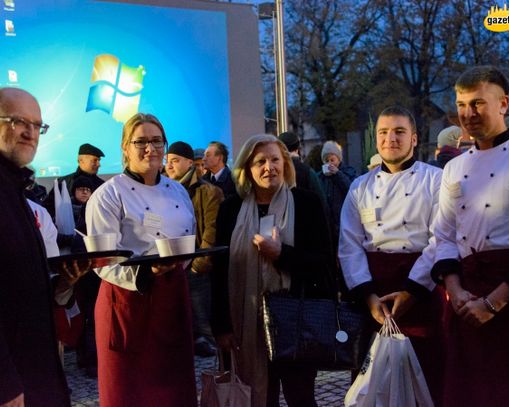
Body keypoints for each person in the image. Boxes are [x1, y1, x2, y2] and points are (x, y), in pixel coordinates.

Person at [431, 66, 509, 406]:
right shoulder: (454, 167)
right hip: (466, 299)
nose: (468, 114)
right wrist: (457, 292)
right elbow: (443, 235)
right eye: (462, 104)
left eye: (478, 103)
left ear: (503, 103)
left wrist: (493, 303)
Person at [211, 134, 335, 407]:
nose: (270, 167)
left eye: (275, 160)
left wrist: (282, 255)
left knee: (301, 397)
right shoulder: (230, 210)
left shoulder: (307, 203)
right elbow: (219, 271)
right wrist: (221, 325)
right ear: (247, 168)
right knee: (259, 398)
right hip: (245, 322)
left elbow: (324, 263)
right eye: (261, 161)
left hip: (297, 320)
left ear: (286, 164)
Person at [85, 113, 197, 406]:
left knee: (175, 391)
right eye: (141, 141)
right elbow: (102, 259)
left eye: (157, 141)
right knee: (128, 394)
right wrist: (147, 272)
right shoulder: (108, 194)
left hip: (172, 297)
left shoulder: (178, 191)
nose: (151, 148)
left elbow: (189, 238)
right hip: (127, 301)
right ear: (125, 146)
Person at [339, 106, 444, 402]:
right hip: (373, 294)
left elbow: (441, 239)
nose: (390, 139)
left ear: (414, 138)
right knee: (373, 385)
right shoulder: (360, 187)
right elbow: (349, 246)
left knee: (429, 378)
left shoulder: (436, 181)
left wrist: (411, 292)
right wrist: (369, 298)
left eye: (399, 131)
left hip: (420, 291)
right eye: (383, 132)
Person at [0, 87, 88, 407]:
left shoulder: (17, 192)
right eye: (17, 121)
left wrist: (63, 284)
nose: (30, 133)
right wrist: (5, 385)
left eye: (38, 125)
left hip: (35, 371)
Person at [165, 140, 224, 357]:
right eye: (167, 161)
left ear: (190, 162)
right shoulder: (161, 192)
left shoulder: (209, 192)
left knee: (203, 325)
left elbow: (211, 231)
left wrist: (198, 265)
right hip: (169, 268)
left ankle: (215, 382)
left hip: (196, 269)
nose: (169, 165)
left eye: (175, 161)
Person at [44, 142, 105, 217]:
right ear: (81, 160)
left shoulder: (102, 186)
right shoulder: (63, 183)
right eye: (95, 160)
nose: (99, 164)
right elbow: (48, 209)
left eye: (99, 160)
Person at [317, 140, 356, 244]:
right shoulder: (320, 177)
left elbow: (351, 190)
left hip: (344, 224)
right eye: (326, 161)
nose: (329, 163)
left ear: (339, 159)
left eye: (332, 160)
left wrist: (338, 174)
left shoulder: (348, 172)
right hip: (326, 226)